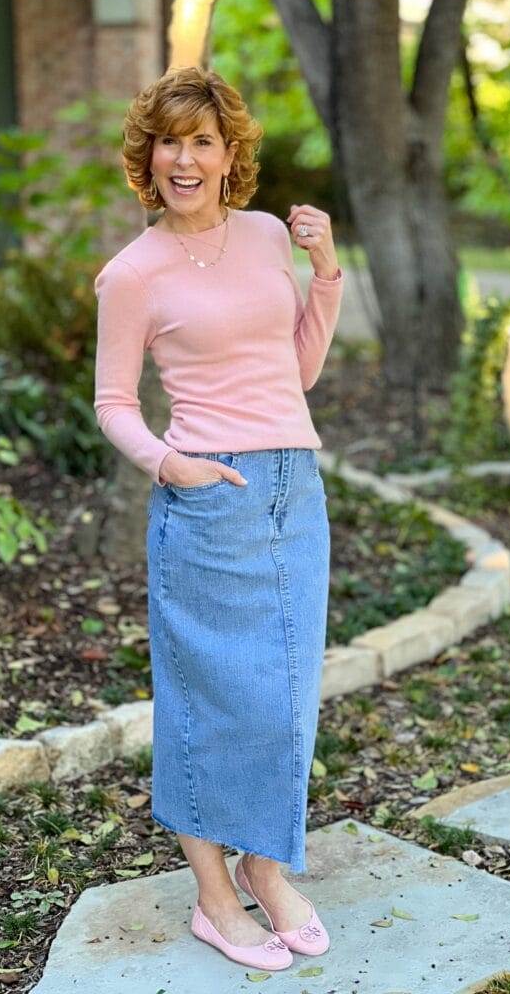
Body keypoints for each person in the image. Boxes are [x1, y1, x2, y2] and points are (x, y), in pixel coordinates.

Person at [93, 65, 343, 972]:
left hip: (294, 486)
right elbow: (113, 401)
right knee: (206, 700)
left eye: (203, 141)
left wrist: (325, 274)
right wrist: (173, 464)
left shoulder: (270, 235)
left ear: (230, 153)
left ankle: (266, 870)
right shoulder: (132, 273)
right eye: (171, 141)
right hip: (207, 494)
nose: (185, 158)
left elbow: (298, 373)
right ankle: (212, 893)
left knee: (283, 696)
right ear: (148, 155)